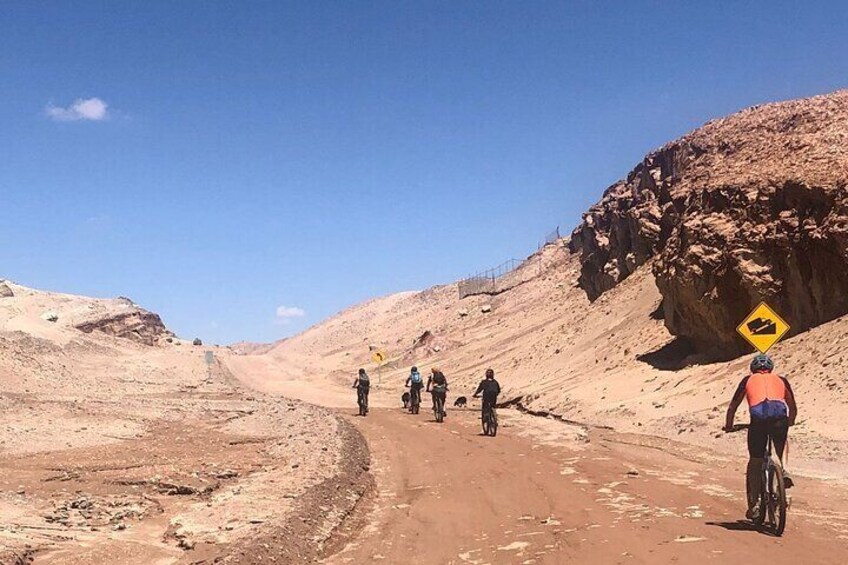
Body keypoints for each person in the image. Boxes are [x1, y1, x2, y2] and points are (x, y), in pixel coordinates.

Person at [724, 354, 797, 520]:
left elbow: (732, 407)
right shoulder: (781, 380)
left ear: (753, 369)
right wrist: (790, 422)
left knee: (756, 460)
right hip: (780, 417)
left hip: (758, 420)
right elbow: (792, 405)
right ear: (770, 368)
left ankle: (755, 504)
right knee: (782, 440)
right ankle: (783, 469)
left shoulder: (747, 380)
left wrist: (729, 426)